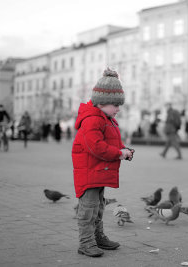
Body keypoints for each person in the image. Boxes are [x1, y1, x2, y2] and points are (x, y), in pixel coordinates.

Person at [71, 68, 133, 257]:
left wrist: (124, 150)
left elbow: (112, 143)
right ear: (102, 102)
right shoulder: (92, 120)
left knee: (98, 208)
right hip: (90, 172)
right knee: (88, 210)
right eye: (115, 104)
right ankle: (86, 243)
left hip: (97, 172)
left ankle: (98, 238)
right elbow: (96, 147)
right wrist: (119, 154)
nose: (118, 109)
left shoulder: (106, 119)